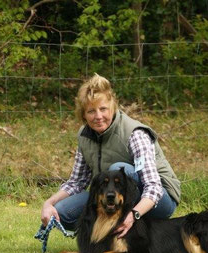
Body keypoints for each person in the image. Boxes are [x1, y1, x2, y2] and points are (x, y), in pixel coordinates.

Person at [40, 73, 181, 238]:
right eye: (91, 111)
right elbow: (76, 182)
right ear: (83, 114)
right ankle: (103, 234)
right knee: (62, 212)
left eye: (103, 109)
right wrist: (49, 203)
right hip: (114, 197)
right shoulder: (84, 135)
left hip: (160, 199)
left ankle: (131, 225)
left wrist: (133, 215)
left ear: (113, 107)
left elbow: (154, 187)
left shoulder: (135, 134)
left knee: (118, 170)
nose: (98, 116)